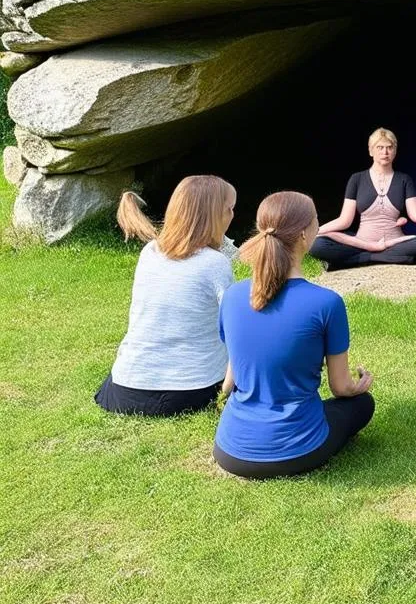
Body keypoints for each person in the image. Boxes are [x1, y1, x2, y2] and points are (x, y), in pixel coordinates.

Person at [214, 191, 375, 479]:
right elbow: (340, 388)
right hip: (297, 450)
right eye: (316, 220)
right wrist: (359, 386)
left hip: (230, 449)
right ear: (304, 234)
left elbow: (231, 379)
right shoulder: (327, 303)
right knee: (362, 405)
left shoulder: (234, 294)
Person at [94, 177, 237, 416]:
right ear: (213, 216)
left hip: (123, 389)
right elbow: (236, 328)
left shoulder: (150, 251)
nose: (233, 215)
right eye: (229, 209)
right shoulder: (215, 263)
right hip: (190, 390)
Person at [310, 127, 416, 269]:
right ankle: (396, 257)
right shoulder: (357, 179)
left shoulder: (404, 179)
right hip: (362, 243)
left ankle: (361, 259)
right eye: (380, 147)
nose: (385, 152)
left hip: (395, 242)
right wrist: (317, 231)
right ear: (371, 151)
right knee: (318, 245)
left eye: (389, 147)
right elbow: (344, 221)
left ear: (395, 151)